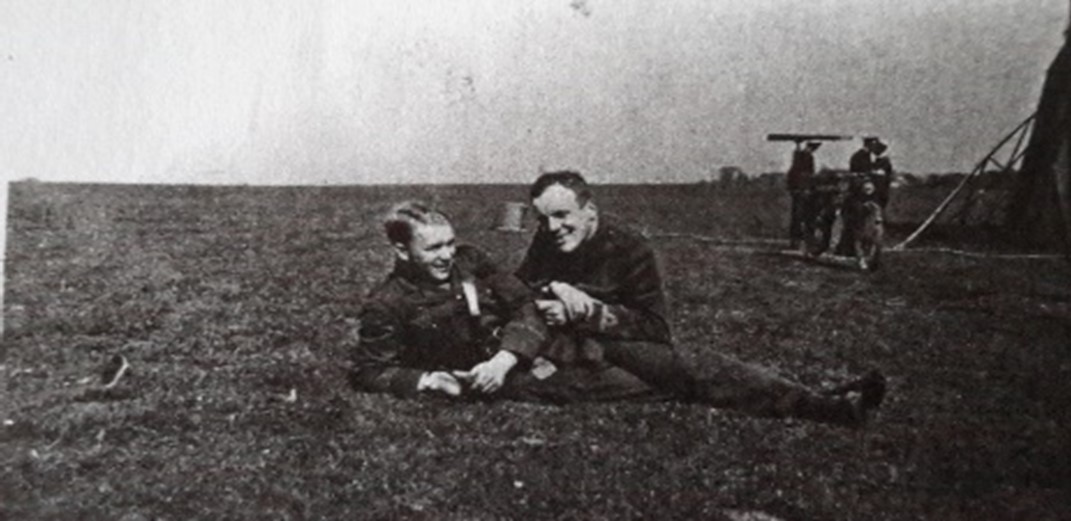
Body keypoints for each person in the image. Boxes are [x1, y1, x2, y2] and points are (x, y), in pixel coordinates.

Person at [516, 171, 887, 426]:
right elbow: (517, 290)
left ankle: (830, 408)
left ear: (590, 212)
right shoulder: (548, 239)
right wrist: (553, 293)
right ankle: (828, 404)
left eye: (562, 215)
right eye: (543, 219)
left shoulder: (631, 247)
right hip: (561, 347)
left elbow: (655, 327)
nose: (552, 228)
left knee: (693, 369)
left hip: (618, 344)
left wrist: (591, 312)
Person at [786, 141, 822, 249]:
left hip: (807, 191)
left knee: (809, 215)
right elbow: (794, 174)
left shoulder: (808, 157)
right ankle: (796, 241)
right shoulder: (800, 157)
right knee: (798, 215)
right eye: (812, 148)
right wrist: (796, 189)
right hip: (800, 191)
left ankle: (807, 239)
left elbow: (810, 176)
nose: (812, 150)